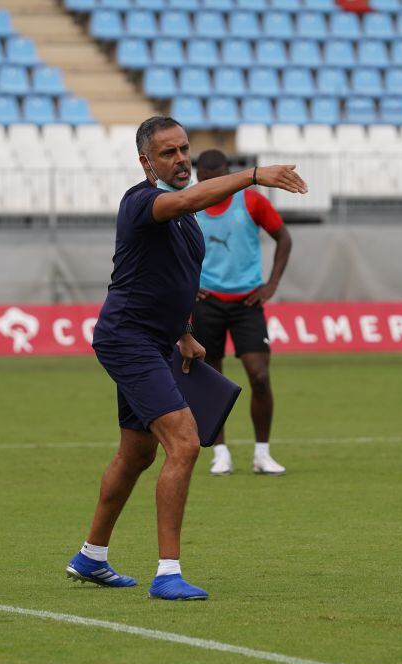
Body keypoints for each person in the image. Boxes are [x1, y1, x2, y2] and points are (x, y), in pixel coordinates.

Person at [65, 117, 308, 601]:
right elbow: (186, 200)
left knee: (137, 453)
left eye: (184, 150)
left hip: (157, 342)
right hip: (127, 339)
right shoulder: (143, 202)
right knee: (185, 442)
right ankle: (168, 573)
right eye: (168, 153)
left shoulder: (188, 228)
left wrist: (185, 334)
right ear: (146, 164)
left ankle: (91, 557)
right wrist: (254, 174)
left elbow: (169, 282)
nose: (180, 160)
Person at [191, 149, 293, 477]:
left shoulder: (251, 202)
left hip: (247, 302)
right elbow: (167, 250)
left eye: (219, 177)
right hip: (205, 303)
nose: (213, 184)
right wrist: (187, 285)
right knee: (211, 382)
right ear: (199, 178)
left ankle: (262, 453)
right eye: (207, 179)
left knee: (259, 376)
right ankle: (219, 452)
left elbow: (284, 238)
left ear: (227, 173)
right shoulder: (189, 204)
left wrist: (271, 284)